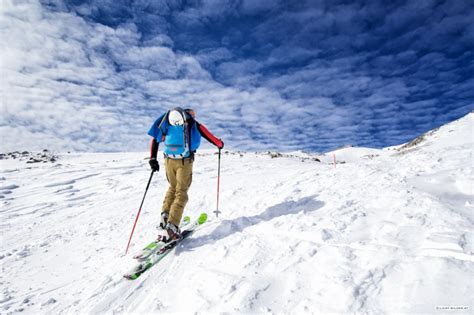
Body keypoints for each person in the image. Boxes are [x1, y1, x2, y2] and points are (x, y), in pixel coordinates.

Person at [147, 107, 224, 240]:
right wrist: (220, 144)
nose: (194, 116)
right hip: (184, 161)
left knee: (172, 187)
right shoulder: (195, 125)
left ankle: (165, 217)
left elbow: (155, 138)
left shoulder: (168, 122)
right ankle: (172, 225)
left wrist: (153, 159)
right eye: (193, 114)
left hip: (168, 160)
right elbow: (212, 138)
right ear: (189, 114)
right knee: (181, 192)